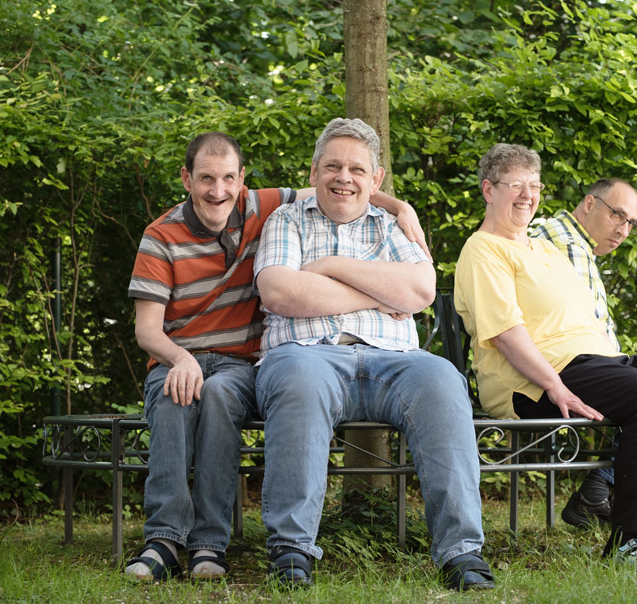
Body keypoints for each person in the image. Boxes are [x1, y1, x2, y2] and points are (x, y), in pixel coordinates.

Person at [125, 131, 426, 580]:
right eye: (206, 178)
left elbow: (337, 187)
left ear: (242, 179)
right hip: (176, 357)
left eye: (228, 178)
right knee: (174, 400)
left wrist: (399, 206)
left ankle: (209, 545)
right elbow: (146, 330)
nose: (218, 190)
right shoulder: (160, 236)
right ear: (186, 179)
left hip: (235, 364)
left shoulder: (259, 206)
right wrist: (181, 360)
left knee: (223, 397)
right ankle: (163, 540)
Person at [253, 118, 493, 590]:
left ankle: (461, 553)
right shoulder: (286, 220)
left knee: (443, 379)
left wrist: (329, 269)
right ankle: (292, 550)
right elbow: (280, 291)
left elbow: (421, 288)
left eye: (357, 169)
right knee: (300, 379)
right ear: (314, 171)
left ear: (375, 179)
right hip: (307, 353)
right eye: (334, 166)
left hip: (394, 361)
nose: (345, 177)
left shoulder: (393, 225)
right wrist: (381, 294)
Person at [454, 143, 637, 568]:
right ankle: (629, 541)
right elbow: (505, 333)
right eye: (516, 185)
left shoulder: (543, 249)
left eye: (535, 185)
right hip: (537, 376)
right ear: (489, 190)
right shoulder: (484, 249)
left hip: (596, 360)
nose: (528, 194)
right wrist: (554, 385)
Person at [531, 178, 637, 528]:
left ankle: (598, 491)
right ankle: (604, 492)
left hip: (566, 362)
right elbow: (589, 335)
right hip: (557, 370)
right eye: (618, 216)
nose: (623, 231)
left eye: (630, 224)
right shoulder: (566, 242)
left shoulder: (572, 240)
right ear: (590, 204)